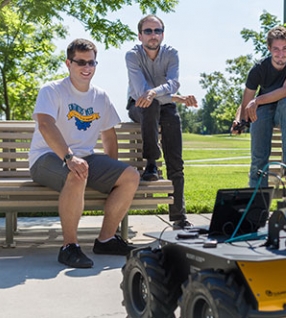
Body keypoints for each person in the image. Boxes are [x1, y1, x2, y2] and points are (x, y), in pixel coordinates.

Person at [29, 38, 140, 269]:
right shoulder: (52, 90)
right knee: (77, 172)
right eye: (81, 62)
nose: (87, 68)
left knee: (130, 176)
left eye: (91, 63)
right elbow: (46, 126)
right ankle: (69, 247)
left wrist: (112, 174)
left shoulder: (100, 96)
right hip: (46, 157)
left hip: (84, 158)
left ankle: (106, 240)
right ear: (68, 63)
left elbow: (108, 136)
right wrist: (69, 158)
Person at [126, 14, 197, 229]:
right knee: (151, 105)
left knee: (176, 163)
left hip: (166, 107)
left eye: (157, 31)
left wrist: (162, 94)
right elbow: (140, 93)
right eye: (148, 31)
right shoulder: (132, 56)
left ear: (163, 34)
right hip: (138, 107)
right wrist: (161, 94)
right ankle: (151, 163)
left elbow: (173, 83)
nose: (153, 35)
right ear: (140, 35)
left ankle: (179, 218)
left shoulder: (172, 54)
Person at [231, 25, 286, 188]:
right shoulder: (258, 69)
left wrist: (257, 101)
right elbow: (247, 102)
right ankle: (257, 206)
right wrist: (239, 121)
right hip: (263, 111)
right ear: (269, 49)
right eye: (276, 49)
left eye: (285, 49)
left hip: (285, 113)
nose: (281, 54)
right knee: (258, 159)